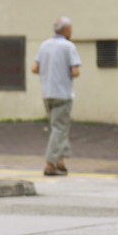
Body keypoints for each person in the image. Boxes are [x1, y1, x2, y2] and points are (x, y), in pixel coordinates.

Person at [31, 17, 81, 176]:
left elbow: (34, 68)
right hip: (63, 93)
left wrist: (49, 72)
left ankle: (61, 161)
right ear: (66, 31)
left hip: (47, 92)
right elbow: (75, 72)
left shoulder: (44, 45)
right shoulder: (69, 46)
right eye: (71, 29)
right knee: (60, 128)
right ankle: (50, 163)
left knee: (57, 127)